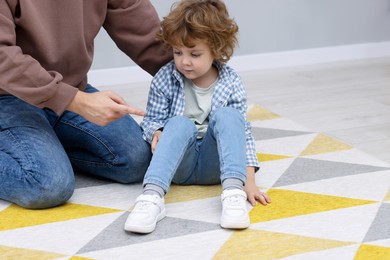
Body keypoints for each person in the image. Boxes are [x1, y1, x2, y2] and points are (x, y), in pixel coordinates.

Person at [0, 0, 172, 209]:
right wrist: (75, 101)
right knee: (47, 184)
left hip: (70, 86)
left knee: (136, 160)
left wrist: (203, 81)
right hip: (8, 96)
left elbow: (146, 35)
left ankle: (48, 146)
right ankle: (43, 153)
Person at [124, 0, 271, 234]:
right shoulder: (165, 78)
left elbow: (243, 135)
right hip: (180, 166)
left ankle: (232, 194)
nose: (184, 61)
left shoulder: (231, 81)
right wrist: (156, 132)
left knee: (230, 116)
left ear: (216, 50)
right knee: (179, 124)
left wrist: (249, 183)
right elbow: (151, 120)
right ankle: (151, 197)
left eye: (195, 54)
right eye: (177, 52)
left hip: (216, 165)